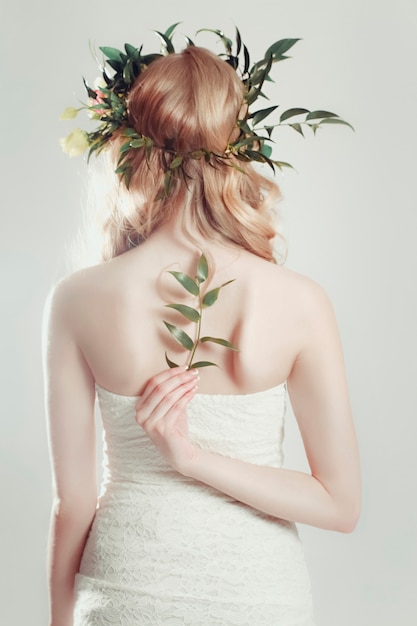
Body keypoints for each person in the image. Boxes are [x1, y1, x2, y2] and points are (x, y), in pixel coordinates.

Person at [45, 31, 361, 626]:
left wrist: (60, 619)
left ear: (127, 146)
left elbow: (73, 503)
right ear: (238, 143)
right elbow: (340, 505)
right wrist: (195, 460)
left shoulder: (78, 298)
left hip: (121, 594)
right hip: (262, 600)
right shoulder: (301, 302)